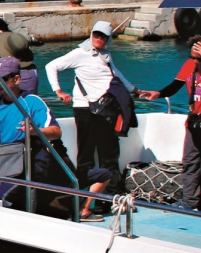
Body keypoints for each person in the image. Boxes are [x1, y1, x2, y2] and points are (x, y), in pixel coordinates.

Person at [140, 35, 201, 216]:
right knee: (190, 163)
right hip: (194, 121)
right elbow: (175, 86)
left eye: (200, 48)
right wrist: (158, 94)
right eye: (193, 48)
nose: (195, 51)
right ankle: (189, 201)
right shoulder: (189, 65)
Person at [44, 20, 138, 190]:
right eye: (96, 34)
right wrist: (58, 91)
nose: (99, 38)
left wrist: (135, 90)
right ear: (91, 34)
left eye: (103, 36)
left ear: (108, 38)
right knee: (86, 153)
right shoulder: (80, 53)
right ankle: (84, 193)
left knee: (109, 152)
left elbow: (116, 75)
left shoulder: (106, 55)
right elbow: (51, 66)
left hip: (107, 108)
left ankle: (111, 193)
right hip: (85, 109)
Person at [0, 57, 61, 206]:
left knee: (0, 196)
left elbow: (56, 132)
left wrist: (34, 131)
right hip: (5, 162)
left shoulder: (31, 102)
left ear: (16, 79)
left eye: (3, 78)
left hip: (31, 161)